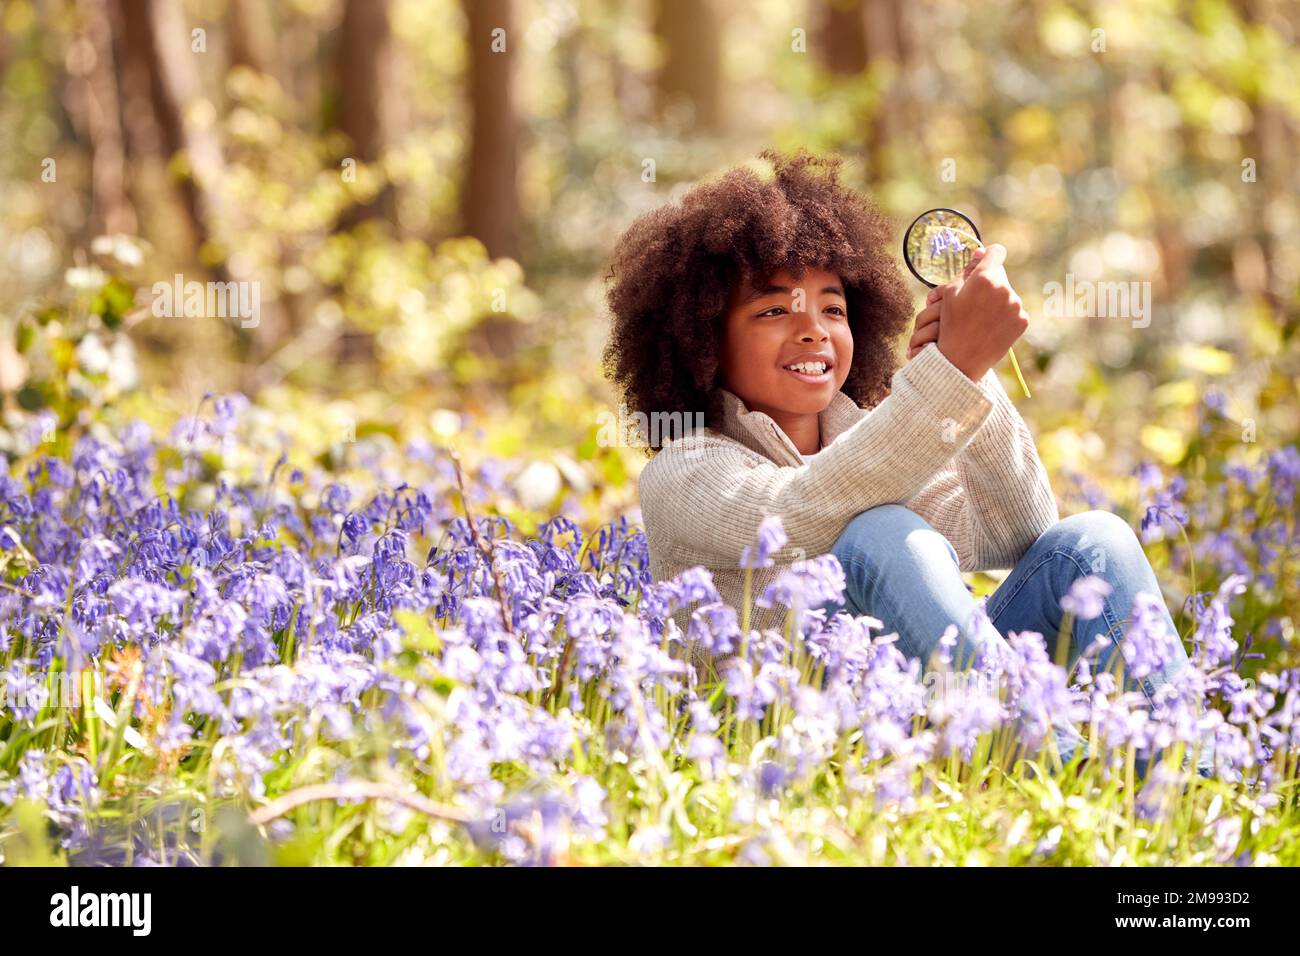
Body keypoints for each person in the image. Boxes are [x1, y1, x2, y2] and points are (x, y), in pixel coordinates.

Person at [604, 149, 1213, 776]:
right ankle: (1064, 777)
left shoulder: (875, 441)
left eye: (833, 308)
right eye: (772, 310)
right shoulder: (684, 470)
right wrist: (950, 374)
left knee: (1091, 543)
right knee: (880, 530)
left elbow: (1020, 530)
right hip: (795, 748)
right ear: (702, 339)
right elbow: (797, 512)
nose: (813, 328)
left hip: (921, 714)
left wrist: (970, 373)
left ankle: (1192, 781)